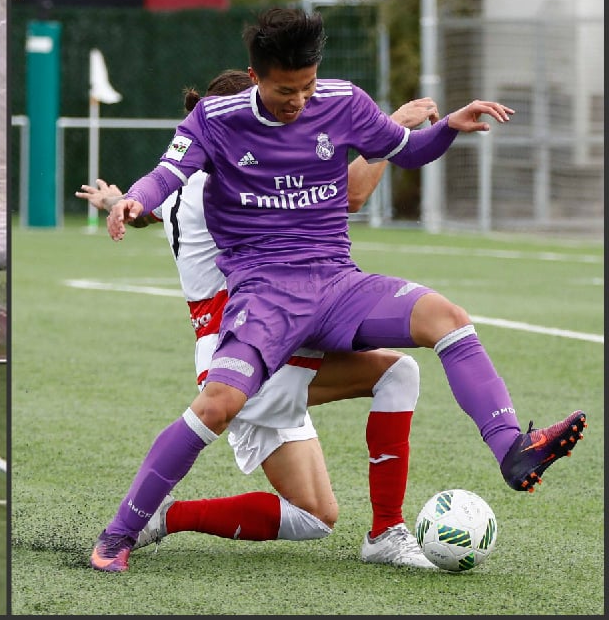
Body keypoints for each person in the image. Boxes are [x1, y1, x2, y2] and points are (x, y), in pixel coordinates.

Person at [92, 7, 586, 573]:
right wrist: (136, 198)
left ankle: (508, 449)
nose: (299, 100)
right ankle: (119, 533)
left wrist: (447, 126)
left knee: (444, 319)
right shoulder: (214, 118)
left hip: (336, 281)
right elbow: (167, 174)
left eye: (307, 86)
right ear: (255, 78)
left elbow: (406, 149)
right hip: (265, 296)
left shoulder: (342, 101)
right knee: (221, 404)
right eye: (285, 90)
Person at [77, 70, 439, 568]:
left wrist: (115, 201)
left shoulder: (194, 178)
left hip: (268, 341)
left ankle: (164, 516)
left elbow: (147, 212)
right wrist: (389, 131)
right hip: (251, 346)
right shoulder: (231, 183)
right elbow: (350, 196)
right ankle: (387, 531)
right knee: (398, 372)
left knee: (315, 516)